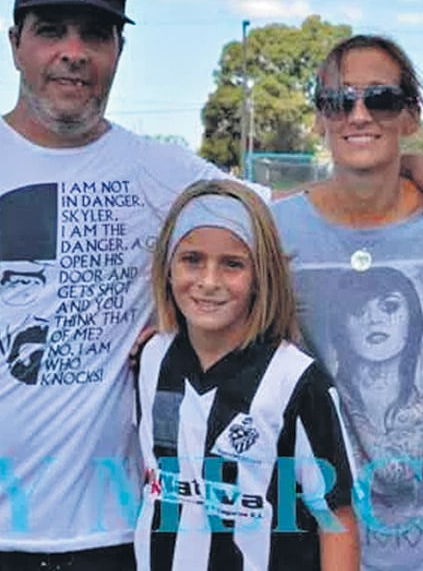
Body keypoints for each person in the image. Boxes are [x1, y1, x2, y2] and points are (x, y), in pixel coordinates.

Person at [0, 0, 423, 571]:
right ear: (15, 42)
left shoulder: (163, 172)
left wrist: (405, 162)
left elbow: (288, 209)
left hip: (109, 534)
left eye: (95, 34)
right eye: (50, 31)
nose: (73, 52)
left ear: (118, 51)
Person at [272, 34, 423, 570]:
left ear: (411, 115)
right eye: (338, 101)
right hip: (316, 536)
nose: (358, 115)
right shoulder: (273, 229)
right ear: (319, 118)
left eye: (380, 98)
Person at [135, 179, 358, 570]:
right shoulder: (152, 358)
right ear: (167, 268)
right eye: (192, 259)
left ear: (261, 275)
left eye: (232, 264)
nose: (209, 282)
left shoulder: (296, 381)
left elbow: (336, 516)